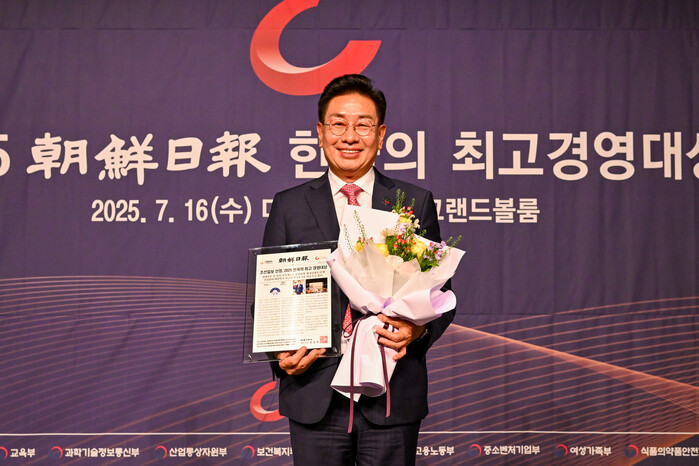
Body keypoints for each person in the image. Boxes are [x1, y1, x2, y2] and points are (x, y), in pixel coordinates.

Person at [262, 74, 456, 466]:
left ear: (380, 135)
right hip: (314, 391)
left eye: (363, 125)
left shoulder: (414, 202)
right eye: (338, 124)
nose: (350, 136)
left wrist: (417, 331)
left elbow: (440, 292)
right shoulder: (289, 205)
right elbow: (270, 296)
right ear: (320, 132)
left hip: (390, 392)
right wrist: (279, 354)